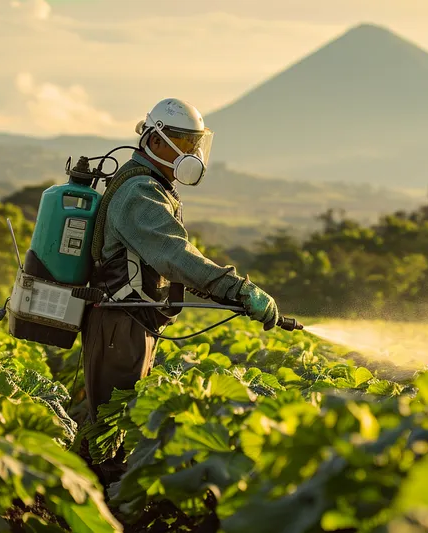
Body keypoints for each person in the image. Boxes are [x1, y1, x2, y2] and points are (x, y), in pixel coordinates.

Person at [79, 97, 279, 482]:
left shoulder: (150, 185)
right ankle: (101, 509)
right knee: (110, 438)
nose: (193, 154)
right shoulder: (140, 193)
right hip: (120, 326)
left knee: (112, 428)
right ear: (154, 141)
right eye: (184, 144)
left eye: (195, 145)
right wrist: (237, 289)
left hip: (130, 322)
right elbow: (176, 256)